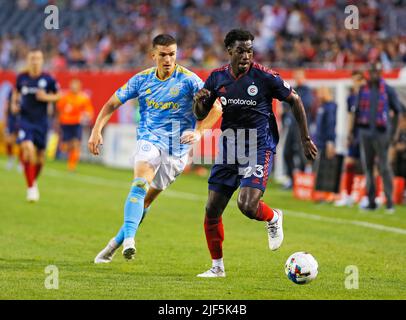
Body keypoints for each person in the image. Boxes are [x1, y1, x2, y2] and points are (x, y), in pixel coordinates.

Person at [193, 29, 317, 277]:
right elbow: (200, 114)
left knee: (247, 205)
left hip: (258, 148)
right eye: (241, 50)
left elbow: (295, 100)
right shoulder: (217, 78)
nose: (246, 55)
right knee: (212, 210)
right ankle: (217, 268)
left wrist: (305, 138)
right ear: (229, 51)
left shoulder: (264, 77)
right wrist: (200, 101)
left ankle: (273, 217)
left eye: (250, 50)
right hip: (230, 148)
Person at [90, 34, 222, 263]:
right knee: (140, 184)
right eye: (163, 55)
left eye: (172, 54)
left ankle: (113, 245)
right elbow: (112, 103)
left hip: (177, 151)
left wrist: (199, 131)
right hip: (149, 140)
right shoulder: (141, 80)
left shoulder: (190, 80)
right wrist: (96, 129)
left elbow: (217, 108)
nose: (168, 59)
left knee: (146, 202)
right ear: (153, 56)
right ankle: (130, 240)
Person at [351, 62, 402, 212]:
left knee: (384, 167)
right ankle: (371, 202)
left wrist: (393, 133)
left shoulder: (388, 90)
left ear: (380, 73)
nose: (373, 74)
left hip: (381, 134)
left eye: (376, 72)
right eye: (371, 71)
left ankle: (390, 202)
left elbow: (398, 111)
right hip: (365, 133)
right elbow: (357, 112)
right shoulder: (363, 89)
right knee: (368, 167)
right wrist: (353, 133)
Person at [11, 49, 60, 202]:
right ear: (28, 60)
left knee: (40, 158)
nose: (35, 61)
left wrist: (46, 97)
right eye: (32, 58)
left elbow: (58, 95)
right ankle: (31, 188)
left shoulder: (48, 79)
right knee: (28, 149)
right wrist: (14, 104)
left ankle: (33, 180)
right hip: (25, 120)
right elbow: (15, 92)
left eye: (38, 58)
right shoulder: (22, 77)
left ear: (42, 60)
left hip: (41, 121)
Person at [335, 70, 365, 207]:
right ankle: (347, 195)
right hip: (354, 135)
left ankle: (368, 197)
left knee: (368, 165)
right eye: (354, 80)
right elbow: (350, 117)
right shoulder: (351, 98)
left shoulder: (368, 96)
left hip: (366, 134)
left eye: (359, 79)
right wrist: (348, 134)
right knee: (349, 163)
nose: (356, 83)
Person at [281, 68, 313, 189]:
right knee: (286, 153)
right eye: (296, 76)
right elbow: (285, 105)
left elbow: (306, 105)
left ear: (303, 77)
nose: (298, 78)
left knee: (301, 154)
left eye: (300, 76)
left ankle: (302, 180)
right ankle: (291, 178)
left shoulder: (307, 91)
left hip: (301, 127)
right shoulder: (292, 89)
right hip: (291, 126)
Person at [56, 79, 94, 172]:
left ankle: (71, 166)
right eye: (72, 85)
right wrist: (59, 120)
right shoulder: (65, 97)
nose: (74, 88)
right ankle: (60, 150)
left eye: (76, 86)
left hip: (77, 123)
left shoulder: (83, 98)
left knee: (76, 144)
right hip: (65, 123)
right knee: (65, 146)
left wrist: (88, 115)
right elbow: (58, 109)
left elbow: (89, 110)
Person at [313, 87, 339, 200]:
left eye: (322, 92)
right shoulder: (322, 107)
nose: (320, 95)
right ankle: (320, 193)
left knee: (325, 169)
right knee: (319, 168)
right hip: (319, 142)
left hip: (325, 142)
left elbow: (330, 125)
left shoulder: (330, 107)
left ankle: (326, 194)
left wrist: (330, 142)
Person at [4, 89, 20, 170]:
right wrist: (6, 119)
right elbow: (6, 105)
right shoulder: (12, 91)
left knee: (22, 140)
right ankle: (11, 158)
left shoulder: (28, 90)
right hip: (12, 119)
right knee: (8, 140)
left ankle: (21, 162)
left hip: (23, 119)